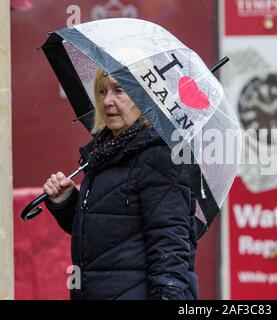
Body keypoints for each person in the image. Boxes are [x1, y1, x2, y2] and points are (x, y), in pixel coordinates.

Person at [43, 69, 198, 300]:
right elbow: (109, 231)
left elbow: (169, 248)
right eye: (102, 91)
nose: (107, 101)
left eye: (120, 90)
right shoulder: (104, 153)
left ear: (146, 95)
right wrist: (67, 203)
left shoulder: (161, 157)